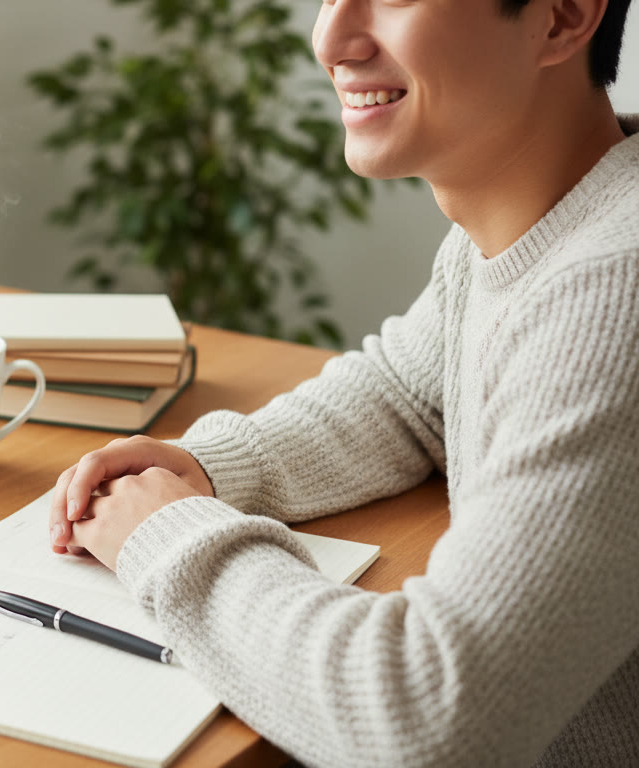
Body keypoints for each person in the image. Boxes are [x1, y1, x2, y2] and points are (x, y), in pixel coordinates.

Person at [47, 0, 638, 764]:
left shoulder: (614, 290)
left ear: (561, 16)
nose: (330, 39)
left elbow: (428, 716)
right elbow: (403, 393)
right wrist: (209, 469)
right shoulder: (534, 229)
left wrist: (168, 536)